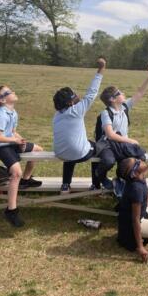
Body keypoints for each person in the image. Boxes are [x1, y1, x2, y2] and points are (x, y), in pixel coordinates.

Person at [0, 85, 43, 227]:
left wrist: (21, 140)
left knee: (37, 150)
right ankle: (11, 210)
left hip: (10, 142)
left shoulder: (12, 112)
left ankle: (26, 180)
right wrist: (14, 140)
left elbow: (12, 131)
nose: (14, 92)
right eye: (9, 92)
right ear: (3, 100)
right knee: (16, 172)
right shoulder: (1, 114)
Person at [94, 63, 148, 189]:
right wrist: (130, 140)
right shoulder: (106, 113)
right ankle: (100, 176)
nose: (123, 93)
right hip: (108, 145)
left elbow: (140, 93)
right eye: (119, 92)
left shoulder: (125, 107)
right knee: (108, 161)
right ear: (112, 99)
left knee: (138, 158)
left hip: (122, 144)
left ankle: (123, 179)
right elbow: (110, 135)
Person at [52, 58, 106, 194]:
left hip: (60, 152)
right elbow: (91, 93)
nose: (78, 97)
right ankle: (96, 184)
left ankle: (65, 185)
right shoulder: (76, 110)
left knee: (70, 151)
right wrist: (101, 70)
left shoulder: (57, 115)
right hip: (79, 153)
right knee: (97, 148)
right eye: (74, 96)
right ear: (70, 103)